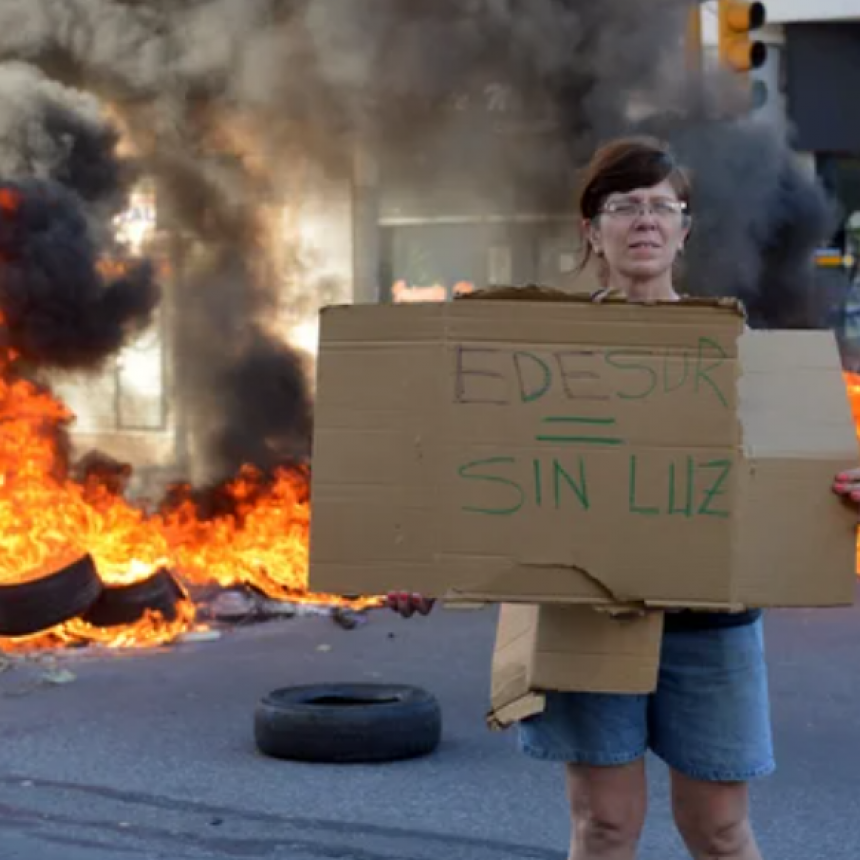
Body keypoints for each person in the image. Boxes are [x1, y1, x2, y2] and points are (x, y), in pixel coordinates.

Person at [387, 136, 860, 860]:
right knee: (604, 828)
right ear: (591, 229)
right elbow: (494, 473)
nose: (645, 220)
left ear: (684, 228)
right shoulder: (546, 355)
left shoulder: (735, 346)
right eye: (624, 205)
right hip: (588, 615)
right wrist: (430, 562)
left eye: (662, 206)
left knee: (720, 831)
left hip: (712, 625)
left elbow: (793, 476)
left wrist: (842, 495)